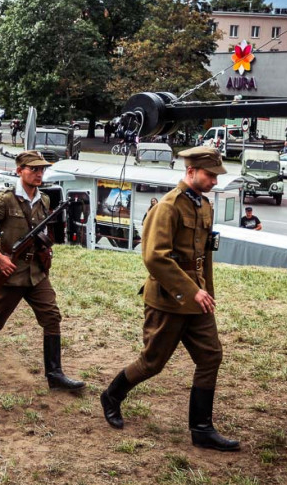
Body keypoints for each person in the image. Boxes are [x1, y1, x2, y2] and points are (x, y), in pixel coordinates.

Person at [100, 146, 239, 451]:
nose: (215, 181)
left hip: (197, 299)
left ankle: (201, 429)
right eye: (210, 174)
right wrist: (192, 291)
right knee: (152, 363)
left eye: (216, 175)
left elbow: (203, 257)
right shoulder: (168, 206)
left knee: (210, 357)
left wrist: (206, 292)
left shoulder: (203, 205)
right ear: (191, 172)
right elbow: (154, 258)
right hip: (168, 299)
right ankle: (111, 395)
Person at [0, 150, 85, 390]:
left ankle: (55, 374)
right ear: (19, 171)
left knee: (52, 317)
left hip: (37, 272)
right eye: (33, 169)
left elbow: (45, 232)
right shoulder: (4, 199)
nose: (39, 174)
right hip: (11, 272)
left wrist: (46, 247)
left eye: (42, 169)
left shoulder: (44, 200)